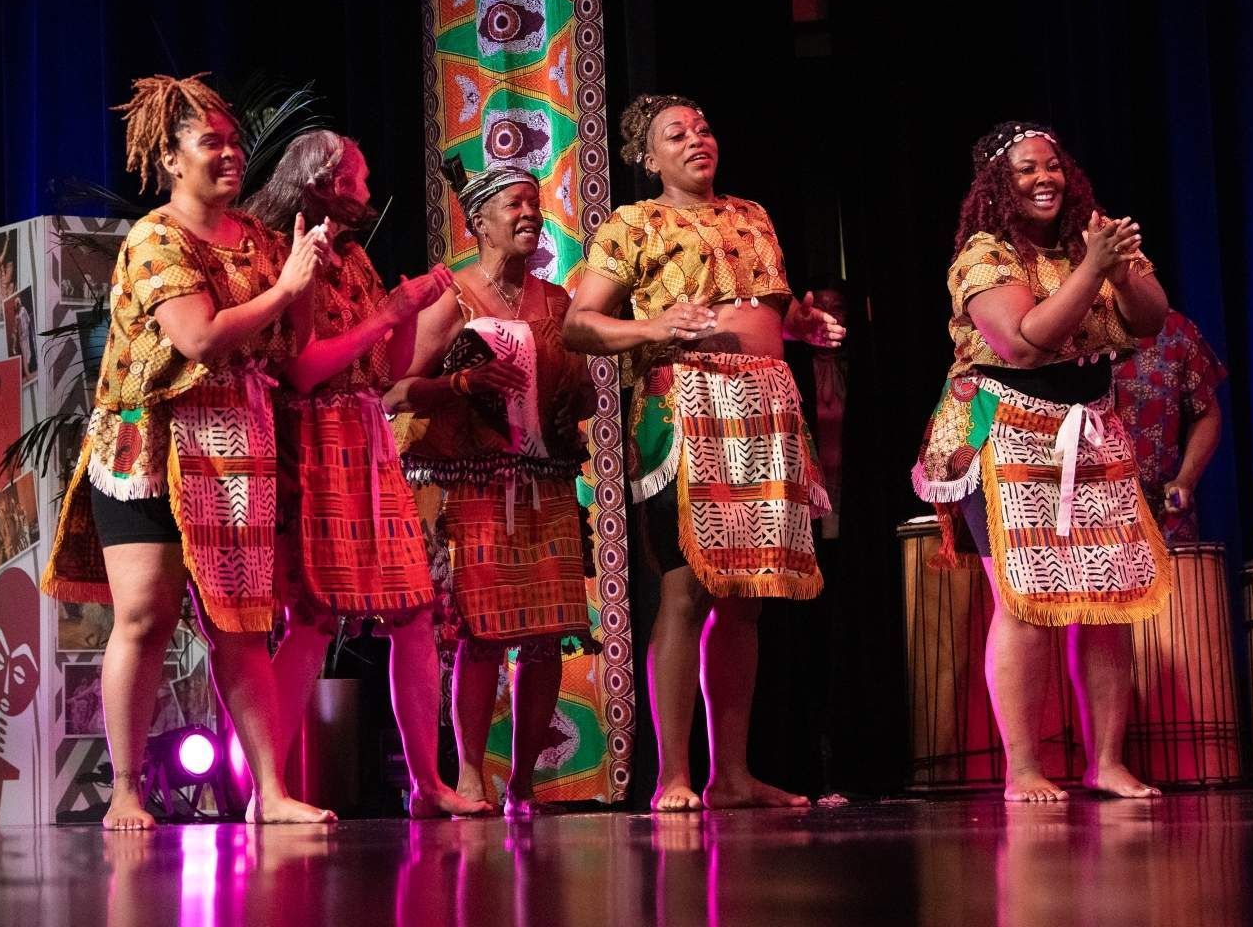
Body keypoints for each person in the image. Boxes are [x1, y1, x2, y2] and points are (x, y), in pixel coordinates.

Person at [41, 73, 333, 829]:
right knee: (145, 613)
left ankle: (270, 793)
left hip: (236, 444)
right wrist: (283, 289)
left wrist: (300, 290)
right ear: (171, 160)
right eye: (214, 143)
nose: (232, 154)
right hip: (147, 447)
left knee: (240, 621)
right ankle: (128, 791)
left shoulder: (266, 242)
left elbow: (294, 354)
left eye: (236, 142)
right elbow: (198, 336)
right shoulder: (155, 239)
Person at [564, 94, 844, 810]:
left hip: (764, 409)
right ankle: (674, 776)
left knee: (747, 599)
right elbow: (581, 325)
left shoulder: (753, 215)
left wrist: (804, 326)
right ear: (646, 158)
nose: (697, 140)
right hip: (684, 407)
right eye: (676, 134)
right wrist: (655, 324)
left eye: (704, 127)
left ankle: (734, 774)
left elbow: (768, 312)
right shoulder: (633, 225)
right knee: (687, 590)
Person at [912, 121, 1171, 802]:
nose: (1044, 178)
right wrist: (1094, 270)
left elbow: (1150, 319)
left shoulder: (1093, 239)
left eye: (1052, 165)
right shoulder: (983, 256)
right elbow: (1024, 345)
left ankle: (1106, 762)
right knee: (1024, 602)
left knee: (1110, 603)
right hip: (1004, 426)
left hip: (1089, 425)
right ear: (1000, 185)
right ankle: (1022, 767)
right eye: (1026, 170)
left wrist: (1117, 269)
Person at [244, 130, 486, 819]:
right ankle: (272, 791)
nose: (366, 193)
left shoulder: (353, 258)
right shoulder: (286, 251)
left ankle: (428, 785)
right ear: (319, 182)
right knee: (315, 619)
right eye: (355, 179)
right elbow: (304, 367)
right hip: (314, 437)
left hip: (366, 436)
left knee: (413, 611)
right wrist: (386, 314)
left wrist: (404, 311)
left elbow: (390, 365)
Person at [389, 163, 596, 818]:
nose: (529, 215)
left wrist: (574, 389)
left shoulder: (558, 301)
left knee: (544, 638)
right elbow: (395, 390)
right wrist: (462, 387)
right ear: (479, 222)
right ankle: (471, 773)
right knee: (482, 636)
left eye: (535, 204)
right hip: (473, 484)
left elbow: (585, 393)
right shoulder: (454, 301)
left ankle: (525, 780)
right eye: (515, 205)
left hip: (545, 483)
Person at [1113, 309, 1227, 542]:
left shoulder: (1175, 330)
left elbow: (1206, 414)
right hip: (1086, 516)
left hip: (1164, 516)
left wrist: (1186, 479)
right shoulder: (1066, 329)